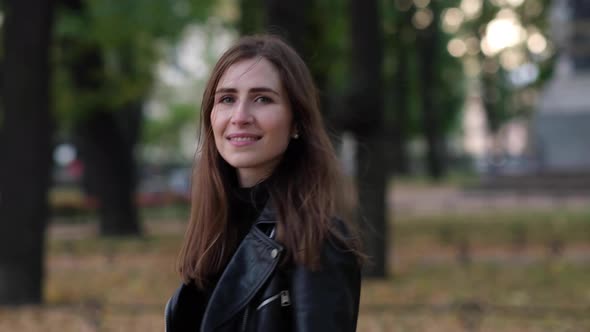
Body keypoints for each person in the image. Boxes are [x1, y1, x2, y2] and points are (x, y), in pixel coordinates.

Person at [165, 34, 364, 332]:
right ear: (211, 116)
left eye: (262, 99)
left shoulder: (317, 239)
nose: (240, 116)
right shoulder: (217, 229)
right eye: (227, 99)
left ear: (297, 122)